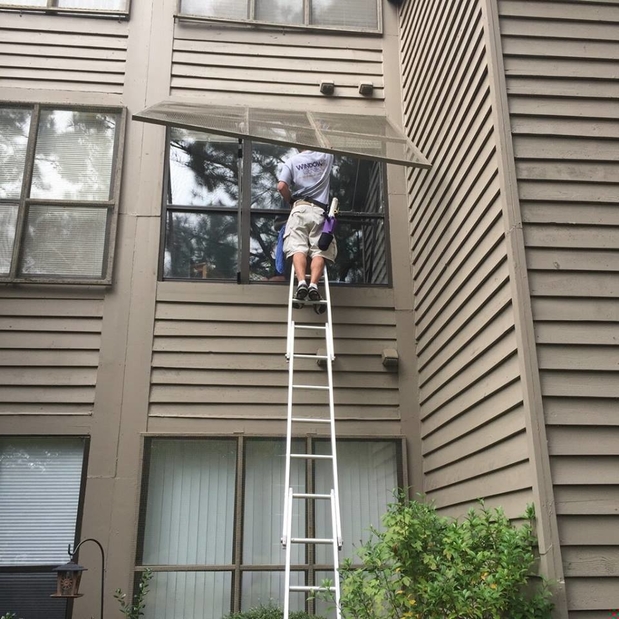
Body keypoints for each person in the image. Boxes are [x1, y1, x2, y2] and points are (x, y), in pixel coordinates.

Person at [277, 149, 336, 311]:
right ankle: (314, 286)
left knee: (298, 248)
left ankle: (302, 282)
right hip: (319, 212)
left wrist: (290, 200)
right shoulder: (326, 156)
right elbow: (330, 144)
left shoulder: (292, 161)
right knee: (319, 251)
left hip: (299, 209)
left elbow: (281, 186)